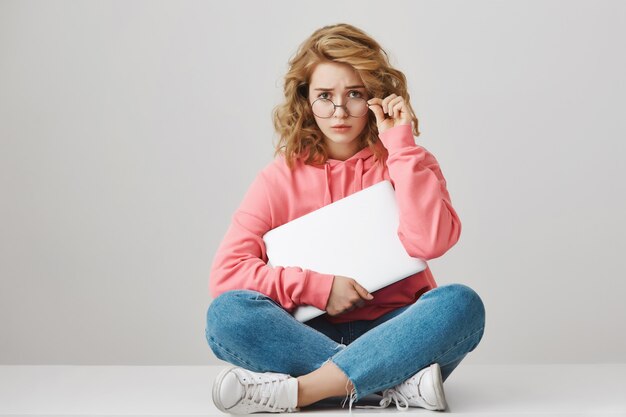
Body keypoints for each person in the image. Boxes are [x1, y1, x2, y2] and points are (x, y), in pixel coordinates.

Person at [205, 22, 486, 414]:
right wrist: (319, 288)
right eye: (324, 96)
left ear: (376, 97)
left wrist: (401, 146)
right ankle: (393, 385)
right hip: (307, 331)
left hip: (399, 330)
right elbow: (227, 274)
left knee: (461, 304)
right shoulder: (278, 177)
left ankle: (304, 391)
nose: (339, 111)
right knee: (227, 315)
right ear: (306, 100)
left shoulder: (408, 161)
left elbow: (431, 243)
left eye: (354, 94)